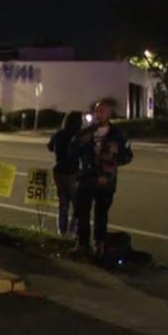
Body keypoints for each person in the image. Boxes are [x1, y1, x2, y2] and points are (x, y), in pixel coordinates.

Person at [71, 98, 133, 259]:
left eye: (102, 111)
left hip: (106, 181)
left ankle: (100, 245)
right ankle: (82, 244)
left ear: (110, 114)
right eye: (97, 110)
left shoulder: (118, 134)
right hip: (87, 178)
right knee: (82, 212)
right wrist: (79, 143)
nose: (98, 114)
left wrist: (114, 157)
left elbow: (128, 156)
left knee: (101, 214)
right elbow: (72, 151)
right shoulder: (86, 132)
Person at [47, 111, 83, 237]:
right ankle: (73, 231)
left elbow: (50, 147)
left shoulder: (59, 134)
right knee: (78, 205)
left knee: (63, 204)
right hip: (72, 172)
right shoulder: (77, 136)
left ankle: (61, 232)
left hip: (58, 171)